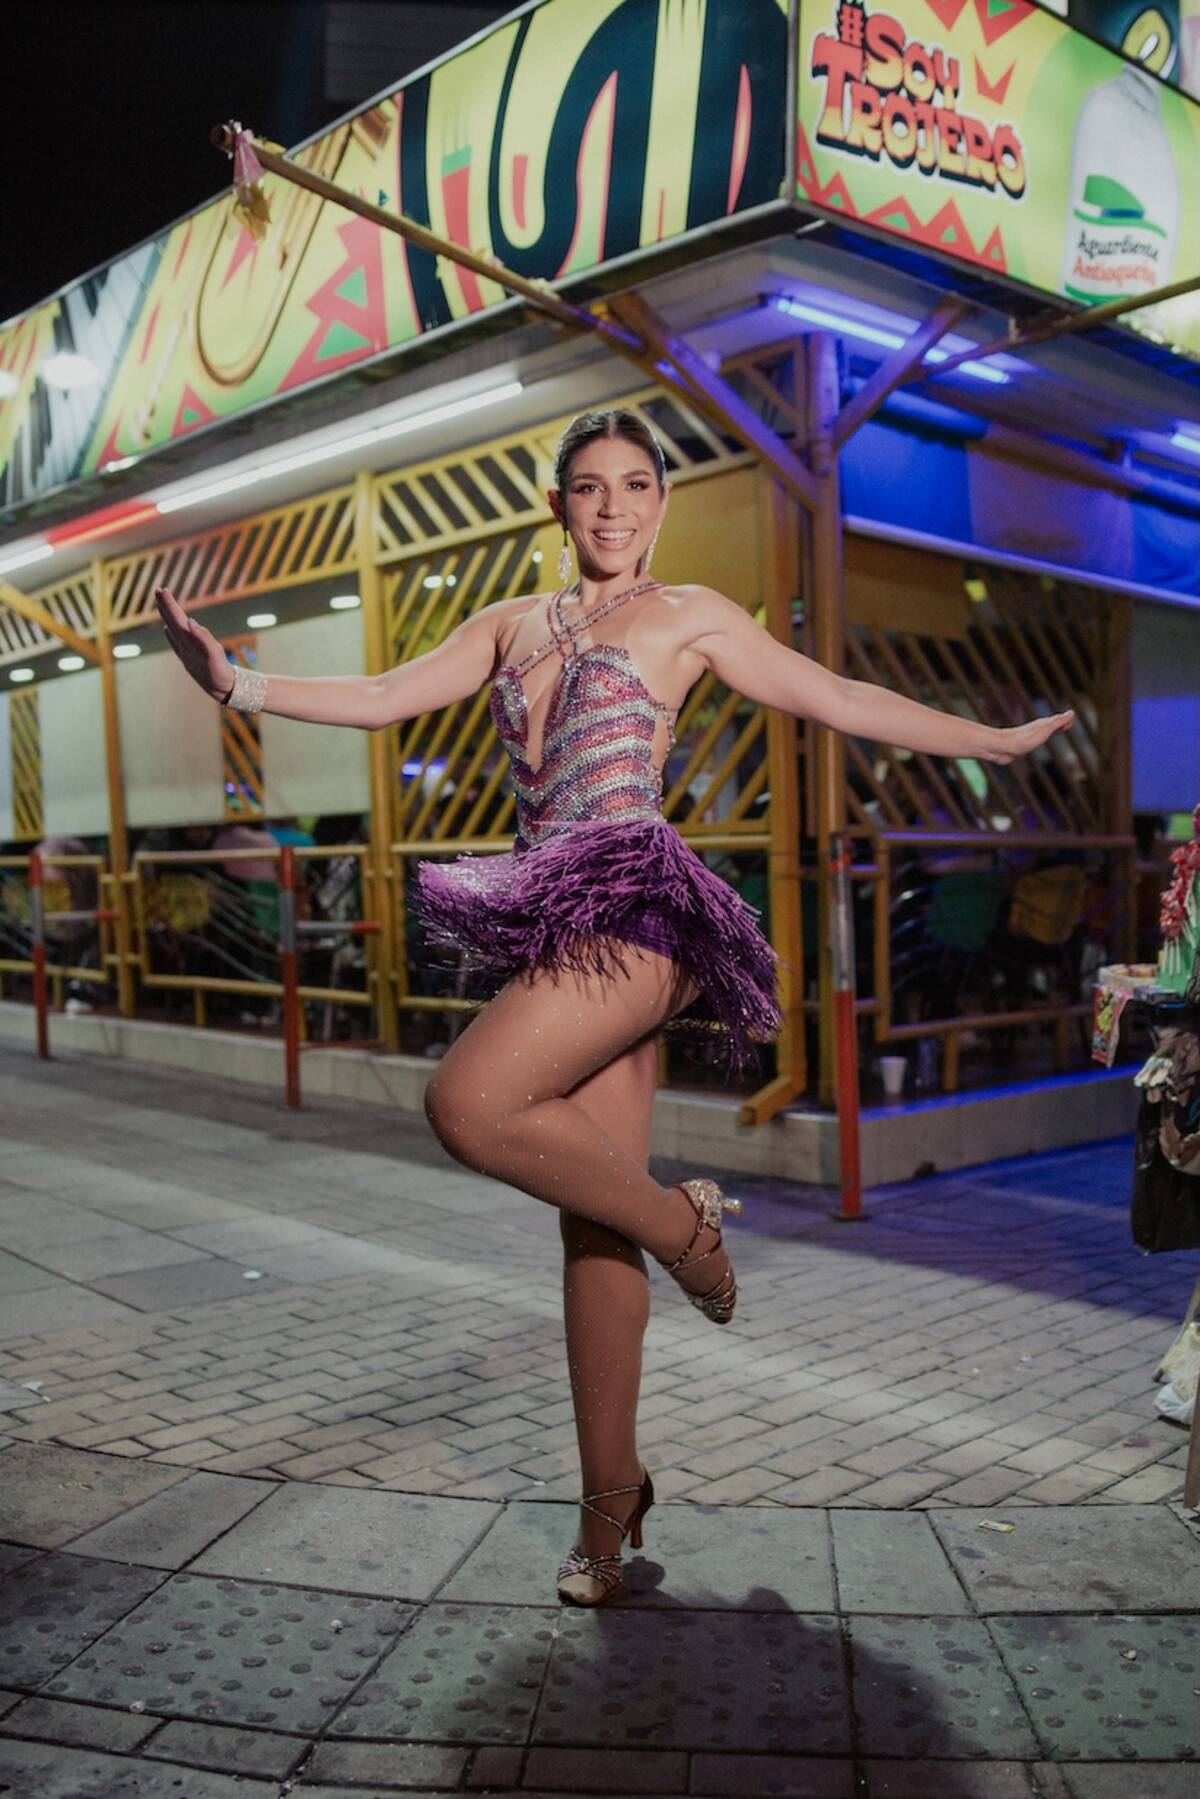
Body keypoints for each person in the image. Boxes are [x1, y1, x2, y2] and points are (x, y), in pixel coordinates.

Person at [155, 407, 1073, 1607]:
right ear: (559, 503)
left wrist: (994, 743)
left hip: (638, 908)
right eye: (590, 487)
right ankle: (610, 1507)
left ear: (661, 501)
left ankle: (687, 1229)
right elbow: (384, 692)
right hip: (547, 919)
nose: (613, 508)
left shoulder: (687, 615)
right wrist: (235, 678)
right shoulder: (509, 625)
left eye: (636, 485)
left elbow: (836, 694)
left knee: (469, 1101)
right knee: (592, 1222)